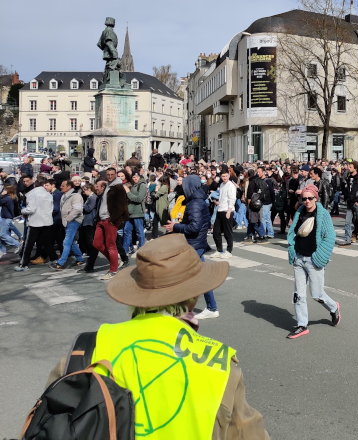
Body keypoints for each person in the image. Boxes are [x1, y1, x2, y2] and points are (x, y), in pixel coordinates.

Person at [44, 234, 270, 439]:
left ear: (136, 295)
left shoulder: (87, 350)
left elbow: (49, 420)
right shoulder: (220, 364)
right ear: (193, 298)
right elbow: (248, 432)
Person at [286, 184, 340, 339]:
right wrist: (292, 249)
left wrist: (319, 256)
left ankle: (333, 307)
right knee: (298, 294)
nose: (307, 201)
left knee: (316, 294)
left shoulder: (322, 215)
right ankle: (302, 324)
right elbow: (292, 233)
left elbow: (330, 237)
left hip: (313, 260)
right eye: (304, 198)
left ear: (316, 198)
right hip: (299, 259)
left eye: (310, 198)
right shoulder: (299, 212)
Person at [166, 175, 220, 319]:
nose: (182, 187)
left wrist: (176, 226)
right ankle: (211, 307)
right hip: (196, 244)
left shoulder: (195, 202)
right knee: (199, 277)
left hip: (194, 243)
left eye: (184, 184)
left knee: (186, 277)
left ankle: (184, 309)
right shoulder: (197, 200)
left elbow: (194, 227)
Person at [93, 168, 129, 280]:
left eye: (112, 174)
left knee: (110, 245)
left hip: (110, 220)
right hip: (102, 219)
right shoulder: (108, 185)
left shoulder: (118, 187)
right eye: (108, 174)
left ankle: (113, 270)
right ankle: (115, 261)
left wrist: (111, 219)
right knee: (96, 243)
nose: (109, 176)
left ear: (115, 175)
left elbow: (121, 207)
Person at [50, 180, 84, 270]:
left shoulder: (76, 196)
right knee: (71, 242)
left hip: (73, 221)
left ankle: (61, 263)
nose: (60, 187)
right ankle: (80, 258)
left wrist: (68, 219)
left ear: (69, 187)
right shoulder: (64, 196)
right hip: (68, 221)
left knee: (66, 242)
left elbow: (77, 209)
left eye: (63, 185)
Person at [340, 161, 358, 247]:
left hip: (357, 204)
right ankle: (347, 240)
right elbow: (347, 189)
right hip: (349, 203)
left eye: (351, 167)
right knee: (347, 222)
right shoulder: (349, 177)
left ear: (355, 168)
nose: (349, 168)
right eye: (349, 166)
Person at [213, 168, 236, 258]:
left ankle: (229, 251)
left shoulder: (231, 186)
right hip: (220, 209)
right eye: (223, 176)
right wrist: (218, 202)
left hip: (227, 210)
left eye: (226, 176)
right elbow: (223, 196)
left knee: (228, 232)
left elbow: (232, 199)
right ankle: (219, 250)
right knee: (216, 232)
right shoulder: (222, 185)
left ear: (229, 176)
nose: (225, 177)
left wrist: (229, 211)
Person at [78, 182, 100, 272]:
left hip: (89, 220)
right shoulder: (90, 197)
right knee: (86, 237)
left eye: (84, 190)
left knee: (89, 238)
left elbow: (89, 208)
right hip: (87, 220)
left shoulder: (93, 197)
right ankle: (89, 252)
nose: (84, 193)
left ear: (89, 189)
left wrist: (81, 205)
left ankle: (91, 252)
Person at [124, 172, 147, 254]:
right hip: (130, 212)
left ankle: (141, 248)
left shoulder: (142, 185)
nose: (135, 178)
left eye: (137, 177)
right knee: (126, 231)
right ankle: (125, 249)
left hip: (137, 212)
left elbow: (139, 199)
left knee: (139, 230)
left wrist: (128, 192)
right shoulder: (133, 185)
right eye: (133, 177)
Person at [0, 185, 20, 258]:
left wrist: (1, 195)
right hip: (6, 217)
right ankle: (2, 250)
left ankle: (17, 244)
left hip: (6, 218)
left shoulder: (8, 198)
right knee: (1, 234)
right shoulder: (11, 198)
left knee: (2, 234)